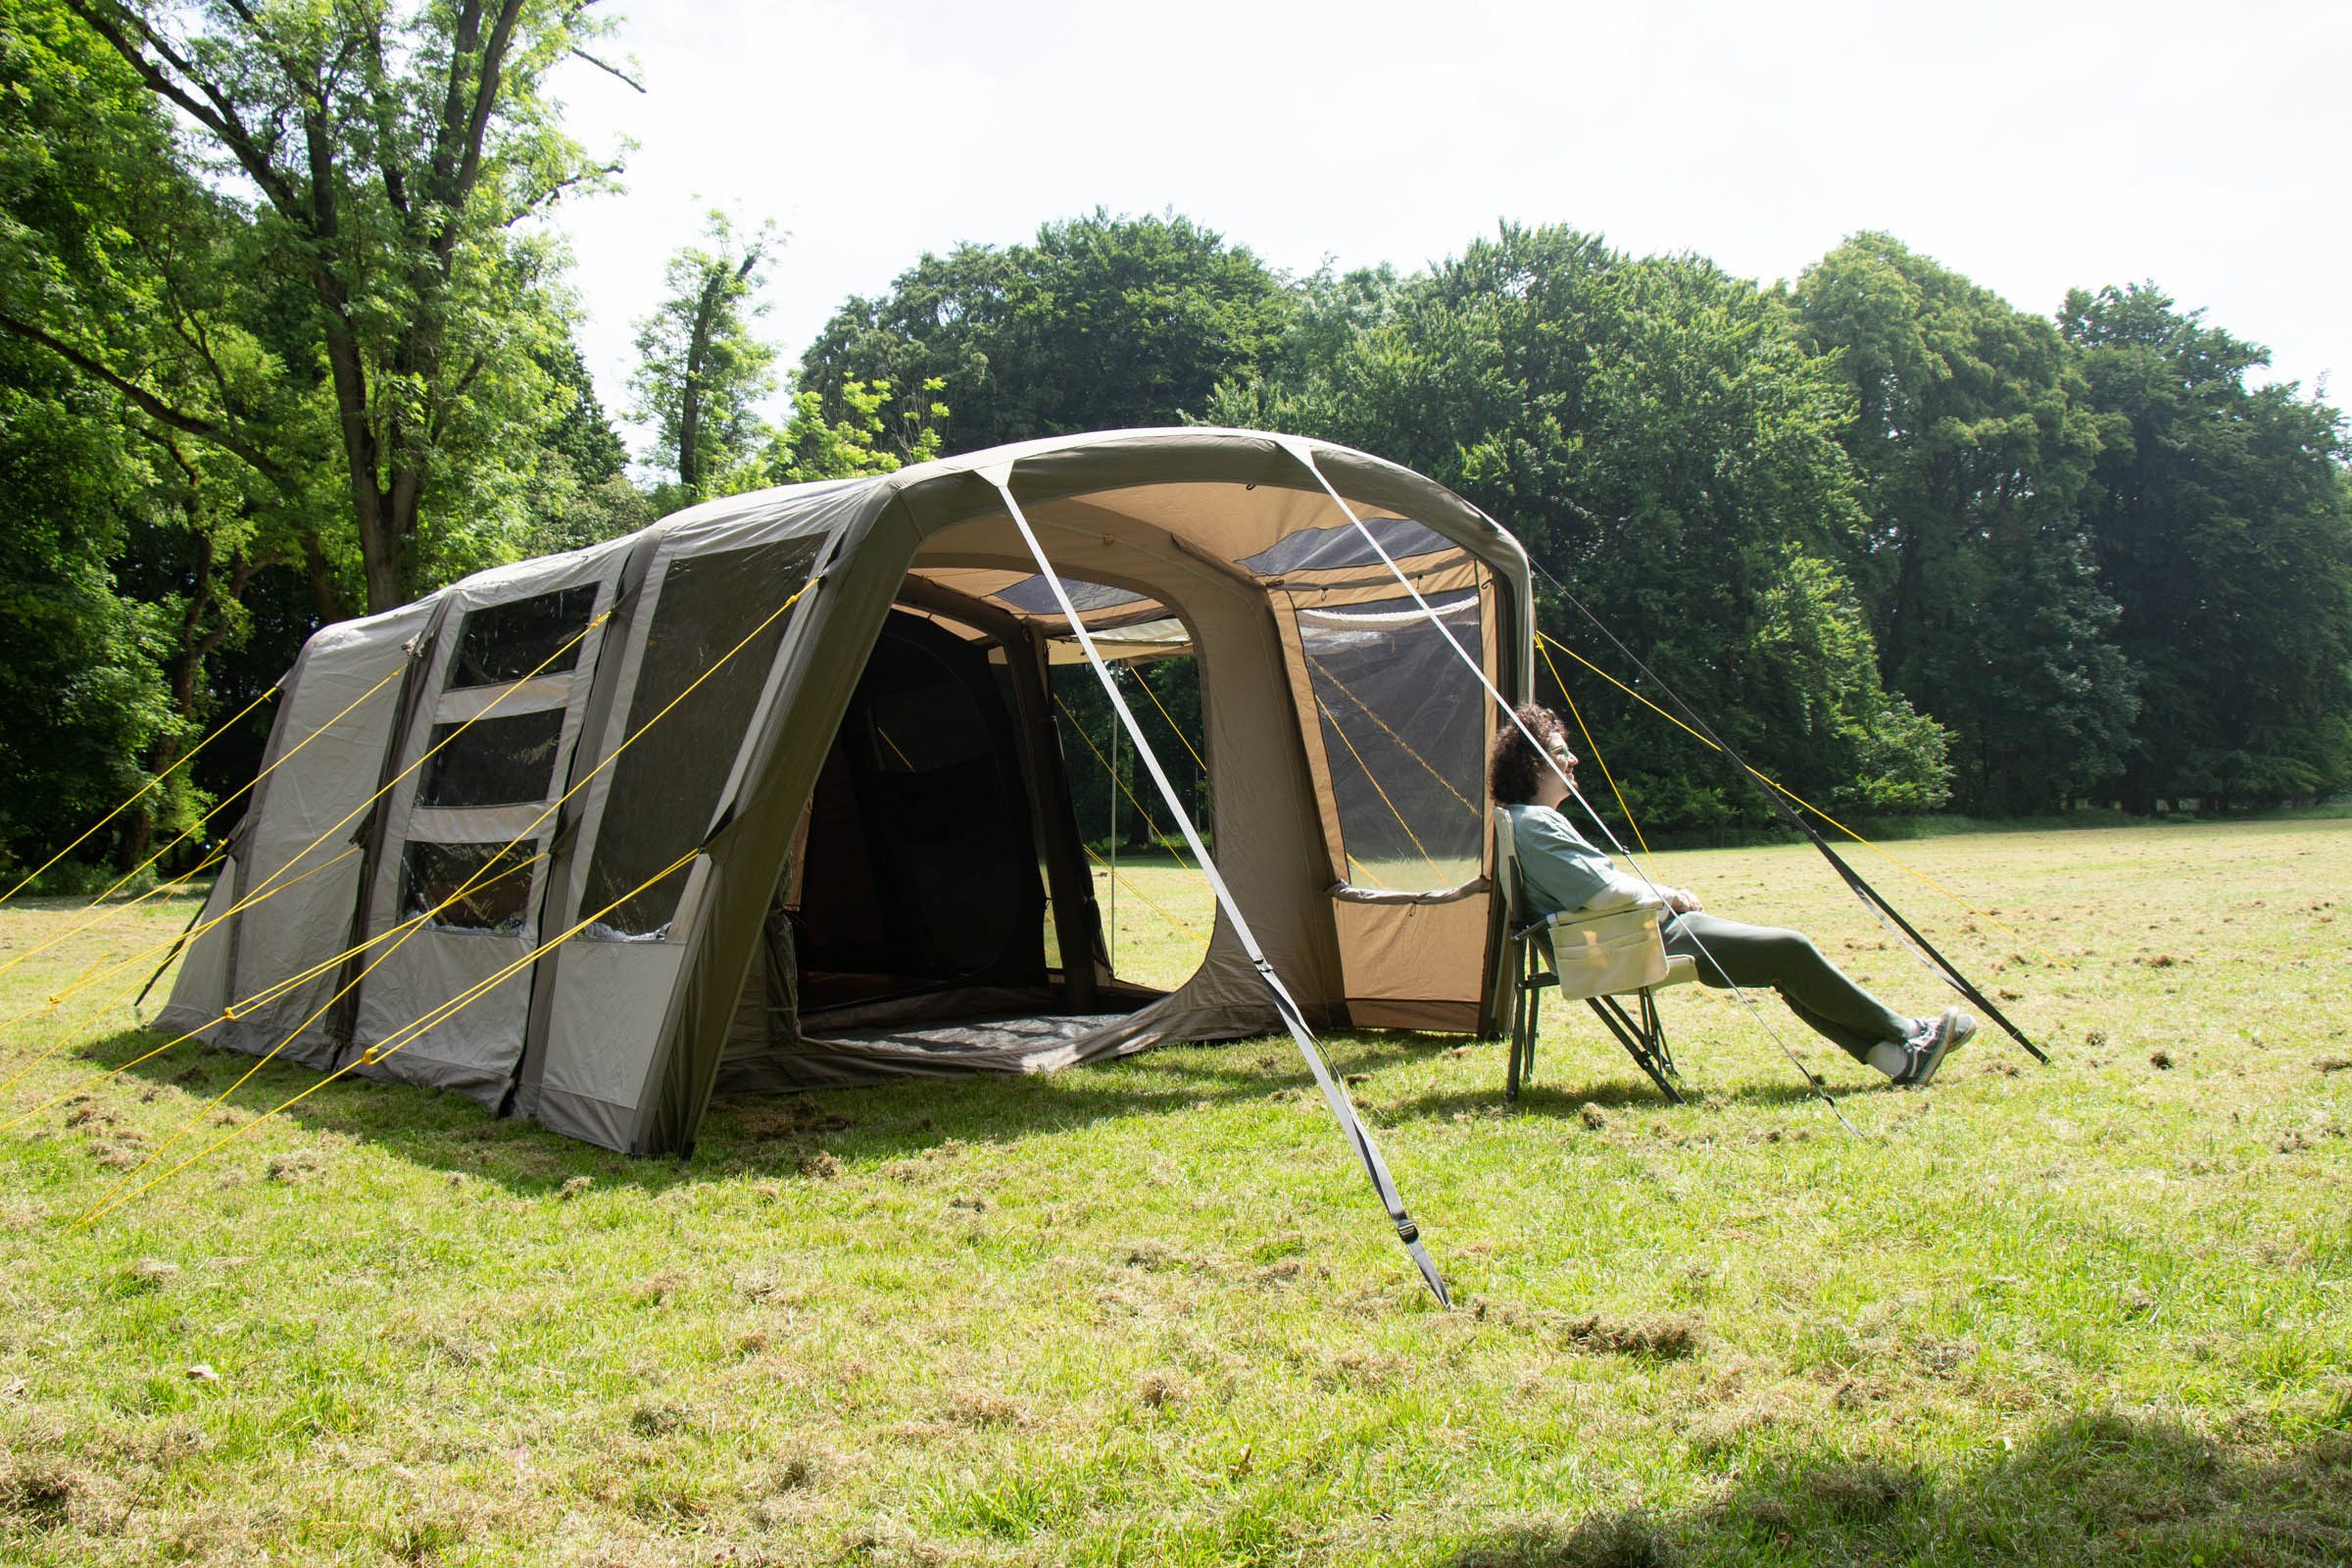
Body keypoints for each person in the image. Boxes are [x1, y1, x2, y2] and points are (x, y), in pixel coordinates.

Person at [1493, 704, 1975, 1087]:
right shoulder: (1536, 824)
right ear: (1534, 765)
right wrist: (1672, 895)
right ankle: (1910, 1035)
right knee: (1790, 949)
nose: (1573, 759)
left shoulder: (1528, 821)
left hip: (1624, 935)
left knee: (1781, 962)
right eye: (1560, 753)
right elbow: (1604, 894)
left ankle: (1896, 1060)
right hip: (1629, 940)